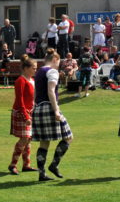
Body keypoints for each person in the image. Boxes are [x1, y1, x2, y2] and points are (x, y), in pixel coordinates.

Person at [32, 48, 73, 181]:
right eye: (59, 61)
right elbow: (51, 91)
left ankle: (41, 173)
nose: (59, 64)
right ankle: (54, 165)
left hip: (38, 108)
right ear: (55, 59)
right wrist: (56, 110)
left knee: (44, 143)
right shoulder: (52, 71)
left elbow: (35, 92)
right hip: (49, 108)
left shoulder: (39, 72)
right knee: (68, 137)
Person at [8, 55, 38, 175]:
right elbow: (20, 100)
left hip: (30, 112)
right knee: (24, 138)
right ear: (26, 68)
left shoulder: (32, 80)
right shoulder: (20, 81)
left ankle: (26, 165)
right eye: (33, 68)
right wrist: (26, 116)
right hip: (22, 112)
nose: (35, 70)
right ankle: (13, 164)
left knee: (28, 139)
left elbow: (32, 98)